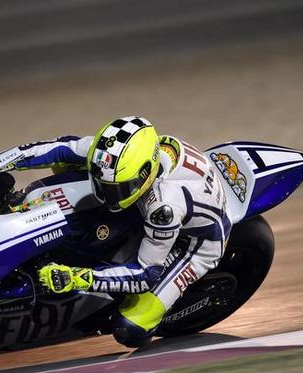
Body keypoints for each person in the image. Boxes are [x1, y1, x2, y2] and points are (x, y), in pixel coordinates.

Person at [13, 116, 232, 347]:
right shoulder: (117, 154)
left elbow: (145, 274)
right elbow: (61, 149)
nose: (108, 196)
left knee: (129, 328)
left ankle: (154, 310)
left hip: (197, 244)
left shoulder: (163, 208)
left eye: (118, 189)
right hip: (168, 203)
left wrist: (75, 277)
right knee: (70, 167)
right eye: (105, 187)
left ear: (145, 175)